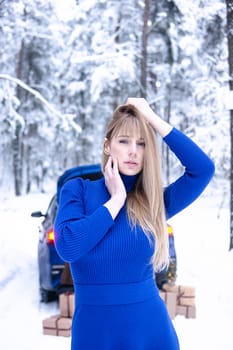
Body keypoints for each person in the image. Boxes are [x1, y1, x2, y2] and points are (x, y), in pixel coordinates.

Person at [54, 98, 215, 350]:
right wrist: (116, 200)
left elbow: (203, 169)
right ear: (107, 146)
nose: (133, 151)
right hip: (95, 332)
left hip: (149, 330)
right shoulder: (78, 190)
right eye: (124, 141)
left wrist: (151, 118)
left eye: (141, 144)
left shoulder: (153, 202)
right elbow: (68, 246)